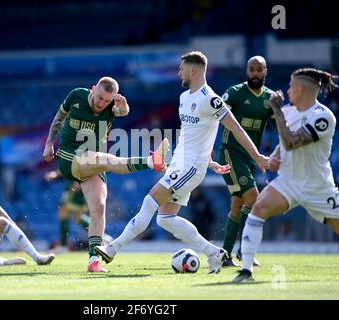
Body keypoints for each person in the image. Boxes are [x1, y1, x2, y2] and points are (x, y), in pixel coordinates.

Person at [95, 51, 269, 274]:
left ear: (193, 70)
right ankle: (214, 253)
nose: (178, 72)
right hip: (181, 163)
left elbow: (236, 128)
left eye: (182, 68)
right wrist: (211, 162)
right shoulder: (184, 98)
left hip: (190, 167)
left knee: (150, 201)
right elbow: (193, 134)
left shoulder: (210, 99)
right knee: (165, 219)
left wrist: (258, 157)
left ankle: (112, 248)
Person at [233, 68, 339, 283]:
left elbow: (292, 141)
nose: (287, 90)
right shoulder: (287, 111)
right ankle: (246, 270)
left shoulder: (322, 116)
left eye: (290, 86)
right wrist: (275, 156)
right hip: (289, 182)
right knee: (258, 209)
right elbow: (283, 143)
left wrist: (276, 109)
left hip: (319, 188)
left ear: (301, 89)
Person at [42, 76, 169, 272]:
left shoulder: (112, 106)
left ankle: (94, 261)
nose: (102, 103)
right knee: (108, 159)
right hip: (69, 157)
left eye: (107, 100)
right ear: (93, 89)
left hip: (91, 165)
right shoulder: (76, 95)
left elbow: (122, 111)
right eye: (99, 97)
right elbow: (59, 117)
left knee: (99, 208)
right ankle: (152, 160)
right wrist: (49, 143)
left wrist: (123, 106)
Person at [219, 56, 275, 267]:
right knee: (253, 196)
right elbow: (214, 115)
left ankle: (225, 255)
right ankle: (244, 250)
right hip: (230, 153)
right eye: (251, 69)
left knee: (237, 205)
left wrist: (278, 108)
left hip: (250, 157)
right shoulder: (234, 93)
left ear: (265, 72)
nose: (255, 73)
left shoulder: (269, 98)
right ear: (246, 71)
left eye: (259, 69)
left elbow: (279, 126)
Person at [44, 169, 112, 253]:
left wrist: (80, 182)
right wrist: (55, 173)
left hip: (76, 191)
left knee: (64, 213)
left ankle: (63, 246)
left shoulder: (83, 157)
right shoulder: (74, 158)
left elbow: (85, 168)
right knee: (76, 217)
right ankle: (102, 236)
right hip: (72, 188)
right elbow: (68, 166)